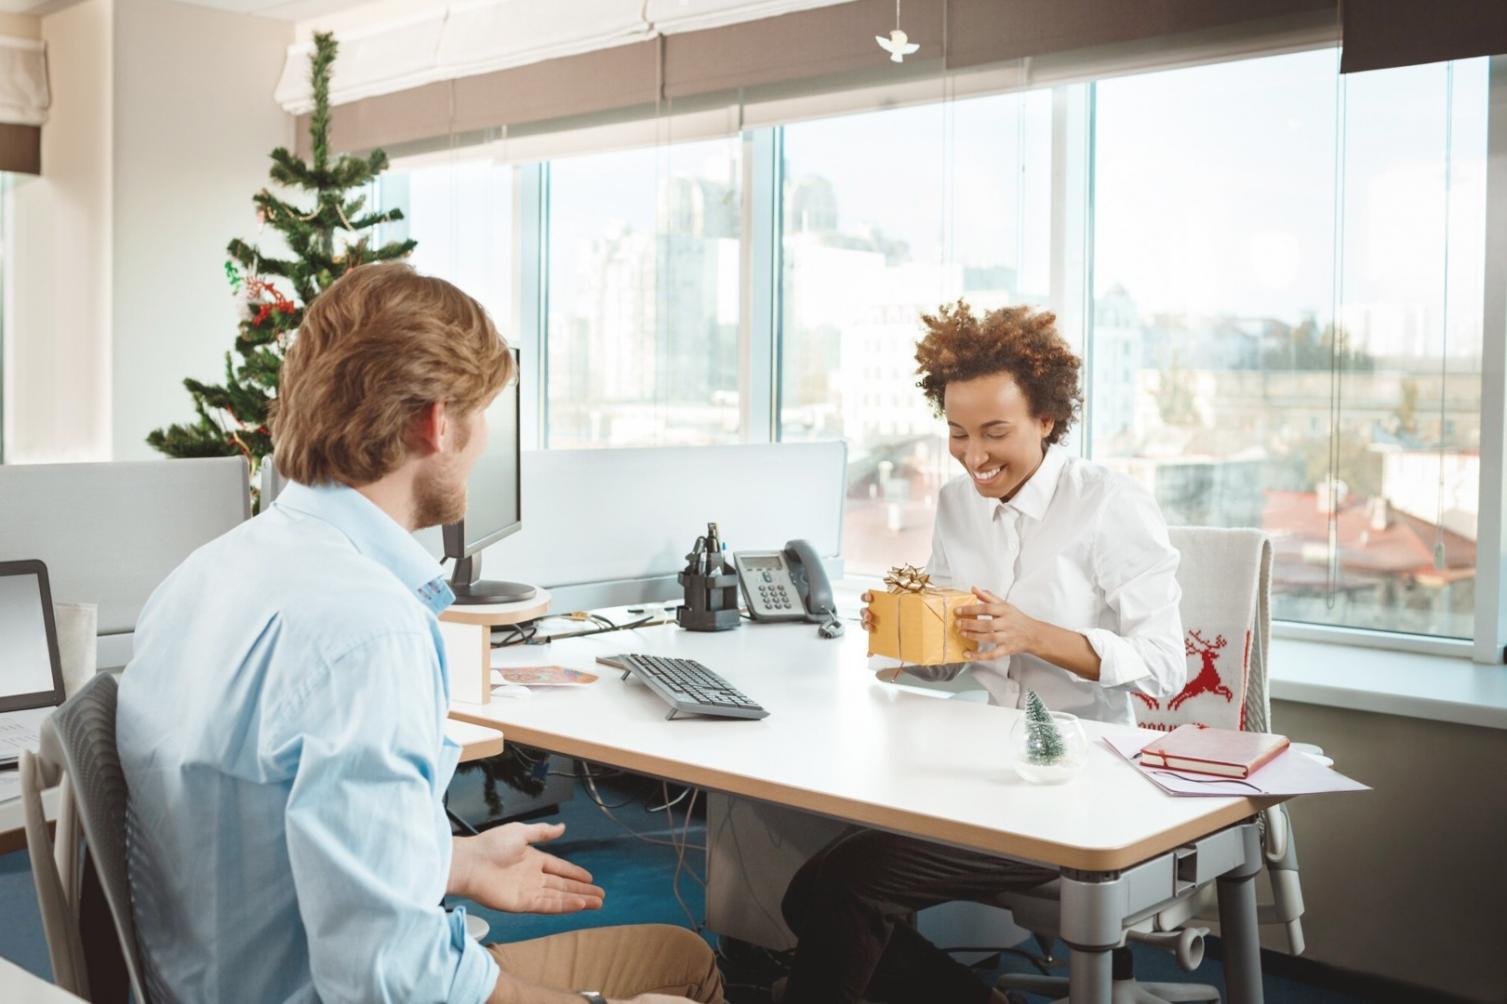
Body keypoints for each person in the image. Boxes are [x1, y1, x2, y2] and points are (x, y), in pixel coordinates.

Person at [118, 262, 724, 1004]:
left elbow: (257, 837)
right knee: (681, 971)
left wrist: (450, 860)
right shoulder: (369, 633)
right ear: (436, 422)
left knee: (671, 950)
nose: (481, 444)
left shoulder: (203, 576)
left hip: (216, 976)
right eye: (482, 417)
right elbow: (393, 981)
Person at [779, 300, 1185, 1004]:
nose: (973, 456)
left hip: (1079, 774)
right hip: (989, 759)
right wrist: (906, 639)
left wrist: (1034, 634)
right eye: (957, 433)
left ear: (1046, 420)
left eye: (994, 432)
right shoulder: (959, 504)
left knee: (847, 887)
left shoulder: (1109, 506)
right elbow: (955, 655)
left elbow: (1164, 665)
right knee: (806, 892)